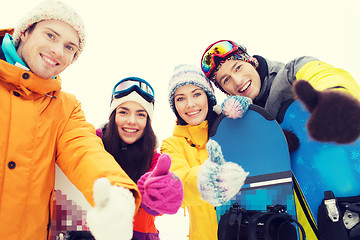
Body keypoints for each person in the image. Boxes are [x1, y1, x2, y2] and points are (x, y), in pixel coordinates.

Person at [0, 1, 141, 240]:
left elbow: (84, 151)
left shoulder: (66, 107)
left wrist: (117, 193)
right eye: (50, 35)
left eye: (69, 47)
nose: (58, 51)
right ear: (23, 32)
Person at [200, 40, 360, 144]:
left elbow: (322, 74)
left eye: (238, 67)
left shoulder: (291, 73)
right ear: (224, 90)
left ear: (252, 62)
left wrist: (334, 97)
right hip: (303, 193)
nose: (238, 80)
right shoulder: (237, 119)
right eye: (226, 80)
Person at [160, 64, 248, 240]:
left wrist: (249, 117)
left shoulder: (229, 128)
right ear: (174, 106)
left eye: (197, 94)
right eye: (180, 98)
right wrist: (207, 180)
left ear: (208, 97)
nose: (190, 104)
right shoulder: (172, 145)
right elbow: (176, 184)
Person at [93, 77, 183, 240]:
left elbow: (155, 209)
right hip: (94, 231)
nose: (131, 121)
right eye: (123, 112)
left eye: (140, 114)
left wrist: (161, 195)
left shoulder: (154, 160)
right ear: (113, 115)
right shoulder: (93, 144)